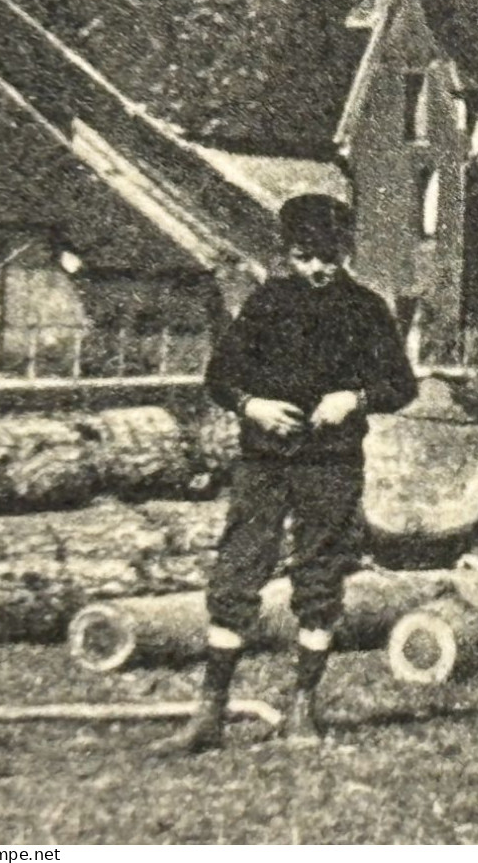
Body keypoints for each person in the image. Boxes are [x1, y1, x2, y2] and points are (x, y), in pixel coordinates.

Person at [152, 194, 418, 754]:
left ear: (344, 252)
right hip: (265, 463)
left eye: (327, 257)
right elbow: (220, 378)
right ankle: (211, 712)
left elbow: (403, 385)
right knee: (236, 574)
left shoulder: (366, 308)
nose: (316, 269)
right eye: (303, 257)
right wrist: (253, 406)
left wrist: (356, 397)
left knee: (320, 578)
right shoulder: (266, 303)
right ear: (287, 255)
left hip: (331, 463)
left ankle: (302, 709)